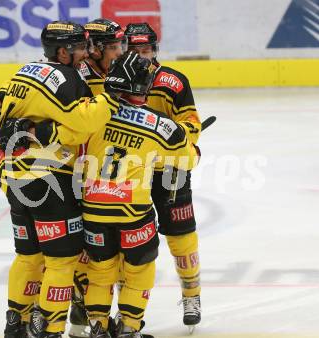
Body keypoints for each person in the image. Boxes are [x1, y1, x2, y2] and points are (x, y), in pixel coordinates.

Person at [0, 21, 137, 338]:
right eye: (80, 48)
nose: (86, 53)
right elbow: (85, 123)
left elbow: (0, 109)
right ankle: (49, 329)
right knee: (62, 260)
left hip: (12, 176)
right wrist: (111, 97)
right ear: (63, 51)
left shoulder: (25, 70)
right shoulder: (69, 79)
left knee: (29, 255)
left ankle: (15, 324)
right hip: (48, 180)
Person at [32, 51, 199, 338]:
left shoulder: (94, 117)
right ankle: (128, 328)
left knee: (100, 269)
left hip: (94, 211)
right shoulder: (161, 125)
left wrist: (28, 128)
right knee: (140, 269)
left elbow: (60, 136)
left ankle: (98, 324)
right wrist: (188, 150)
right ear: (144, 86)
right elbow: (185, 160)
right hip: (133, 213)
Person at [124, 23, 203, 330]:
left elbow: (191, 125)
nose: (141, 57)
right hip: (131, 175)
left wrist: (171, 138)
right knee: (128, 244)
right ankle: (127, 308)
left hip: (171, 173)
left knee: (181, 238)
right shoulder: (115, 81)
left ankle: (192, 295)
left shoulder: (172, 81)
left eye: (145, 51)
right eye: (134, 51)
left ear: (154, 51)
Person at [69, 17, 127, 338]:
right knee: (85, 249)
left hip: (112, 170)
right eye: (115, 46)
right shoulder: (77, 75)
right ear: (96, 48)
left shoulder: (114, 71)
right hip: (80, 172)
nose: (120, 52)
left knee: (114, 251)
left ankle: (94, 309)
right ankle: (83, 302)